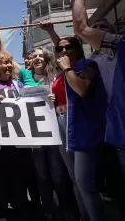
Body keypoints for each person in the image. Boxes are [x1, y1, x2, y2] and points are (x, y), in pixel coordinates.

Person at [70, 0, 125, 201]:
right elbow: (80, 29)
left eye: (104, 27)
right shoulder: (114, 47)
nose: (99, 31)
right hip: (115, 134)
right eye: (97, 28)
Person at [49, 36, 107, 221]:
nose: (64, 51)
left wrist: (67, 68)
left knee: (84, 182)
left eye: (69, 47)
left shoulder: (87, 67)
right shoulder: (59, 75)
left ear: (79, 48)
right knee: (74, 178)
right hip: (61, 124)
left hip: (81, 127)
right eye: (60, 49)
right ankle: (84, 216)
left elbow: (82, 90)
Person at [28, 47, 76, 220]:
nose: (38, 59)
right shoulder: (23, 80)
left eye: (41, 55)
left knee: (58, 176)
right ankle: (48, 209)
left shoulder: (54, 78)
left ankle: (66, 209)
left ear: (47, 58)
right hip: (35, 137)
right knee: (42, 176)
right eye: (35, 56)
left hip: (55, 134)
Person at [0, 52, 29, 221]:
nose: (9, 66)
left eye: (10, 62)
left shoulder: (18, 85)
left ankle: (18, 212)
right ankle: (0, 213)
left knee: (18, 181)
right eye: (5, 63)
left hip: (18, 144)